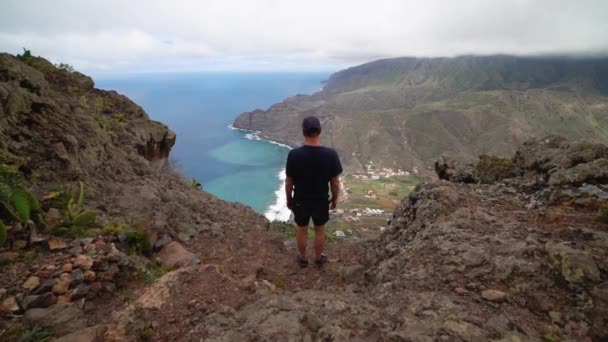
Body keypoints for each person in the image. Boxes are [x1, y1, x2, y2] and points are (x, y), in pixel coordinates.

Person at [285, 116, 342, 268]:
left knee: (301, 229)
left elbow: (289, 182)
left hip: (300, 199)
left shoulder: (294, 155)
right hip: (321, 199)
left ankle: (303, 258)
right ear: (320, 131)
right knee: (320, 230)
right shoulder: (331, 154)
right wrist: (335, 199)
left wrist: (289, 199)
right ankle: (318, 258)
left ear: (303, 132)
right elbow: (335, 182)